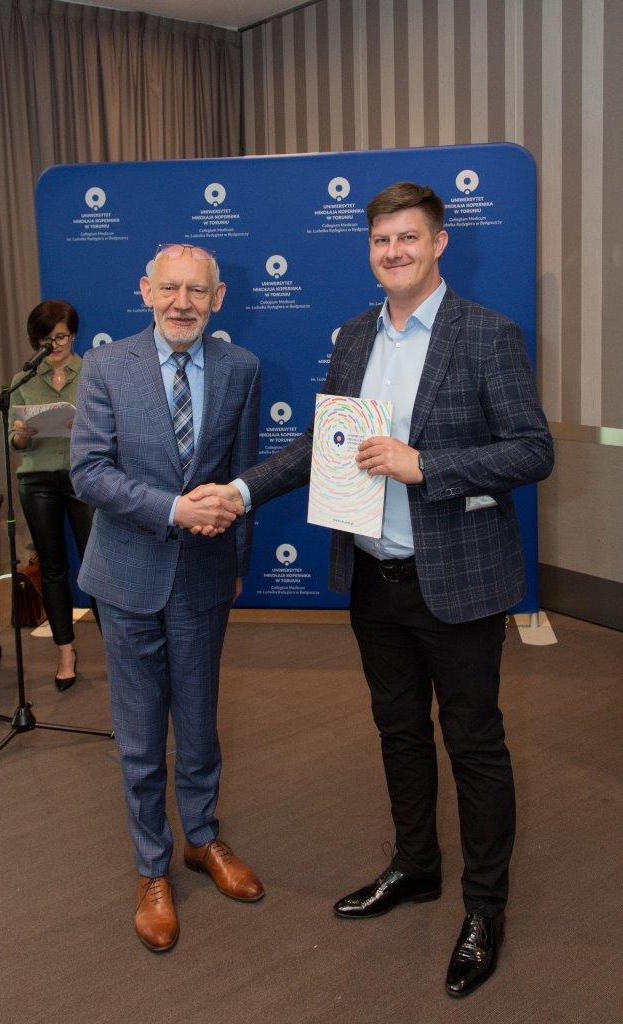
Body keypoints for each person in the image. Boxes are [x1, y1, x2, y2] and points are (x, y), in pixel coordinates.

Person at [190, 183, 554, 996]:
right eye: (382, 240)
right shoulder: (355, 335)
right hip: (371, 577)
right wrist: (241, 491)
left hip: (457, 580)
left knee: (475, 745)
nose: (394, 252)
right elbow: (320, 446)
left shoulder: (487, 334)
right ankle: (416, 867)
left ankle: (484, 908)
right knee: (398, 732)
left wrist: (427, 465)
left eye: (408, 238)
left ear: (439, 243)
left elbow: (533, 450)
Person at [69, 243, 264, 954]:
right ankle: (152, 867)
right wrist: (174, 509)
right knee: (141, 735)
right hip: (127, 578)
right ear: (146, 291)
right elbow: (88, 472)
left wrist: (237, 562)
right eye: (170, 288)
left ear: (218, 298)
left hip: (206, 577)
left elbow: (243, 474)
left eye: (197, 291)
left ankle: (202, 839)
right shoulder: (106, 365)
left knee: (201, 727)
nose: (183, 303)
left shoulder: (241, 368)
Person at [9, 299, 100, 691]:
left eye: (60, 337)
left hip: (84, 476)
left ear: (73, 335)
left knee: (96, 565)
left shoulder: (93, 372)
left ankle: (118, 648)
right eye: (45, 339)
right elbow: (15, 442)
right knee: (52, 567)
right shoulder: (22, 380)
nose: (54, 345)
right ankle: (65, 651)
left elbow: (110, 423)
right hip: (38, 480)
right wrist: (21, 433)